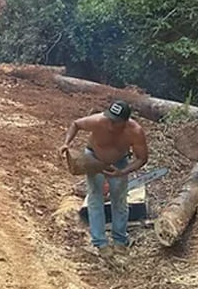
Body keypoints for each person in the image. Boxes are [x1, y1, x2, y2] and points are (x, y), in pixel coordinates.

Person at [61, 99, 148, 259]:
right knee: (95, 198)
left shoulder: (135, 131)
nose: (110, 125)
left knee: (119, 200)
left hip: (119, 162)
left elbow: (142, 158)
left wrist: (122, 172)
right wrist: (66, 143)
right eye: (110, 119)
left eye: (115, 122)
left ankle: (120, 240)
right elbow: (76, 124)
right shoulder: (98, 121)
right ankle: (100, 242)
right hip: (93, 158)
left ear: (125, 121)